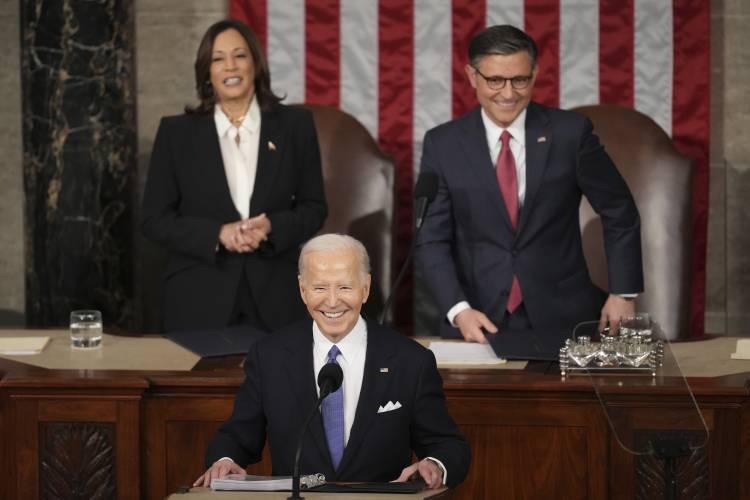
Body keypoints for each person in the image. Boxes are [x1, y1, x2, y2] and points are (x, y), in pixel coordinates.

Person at [415, 25, 643, 343]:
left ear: (534, 74)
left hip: (565, 317)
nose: (508, 94)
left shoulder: (570, 134)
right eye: (495, 80)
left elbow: (619, 210)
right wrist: (458, 309)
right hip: (475, 319)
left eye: (519, 80)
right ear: (472, 76)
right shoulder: (443, 144)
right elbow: (431, 239)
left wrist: (623, 292)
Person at [194, 234, 471, 489]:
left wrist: (435, 464)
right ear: (303, 291)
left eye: (345, 287)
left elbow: (447, 444)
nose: (332, 301)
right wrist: (225, 460)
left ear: (365, 288)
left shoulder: (411, 360)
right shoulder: (270, 356)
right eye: (319, 288)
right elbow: (237, 436)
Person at [141, 20, 326, 333]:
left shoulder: (295, 126)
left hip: (277, 291)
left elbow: (314, 207)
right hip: (197, 292)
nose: (230, 66)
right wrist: (217, 234)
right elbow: (154, 220)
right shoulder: (176, 133)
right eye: (218, 58)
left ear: (255, 63)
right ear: (207, 72)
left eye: (240, 55)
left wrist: (272, 227)